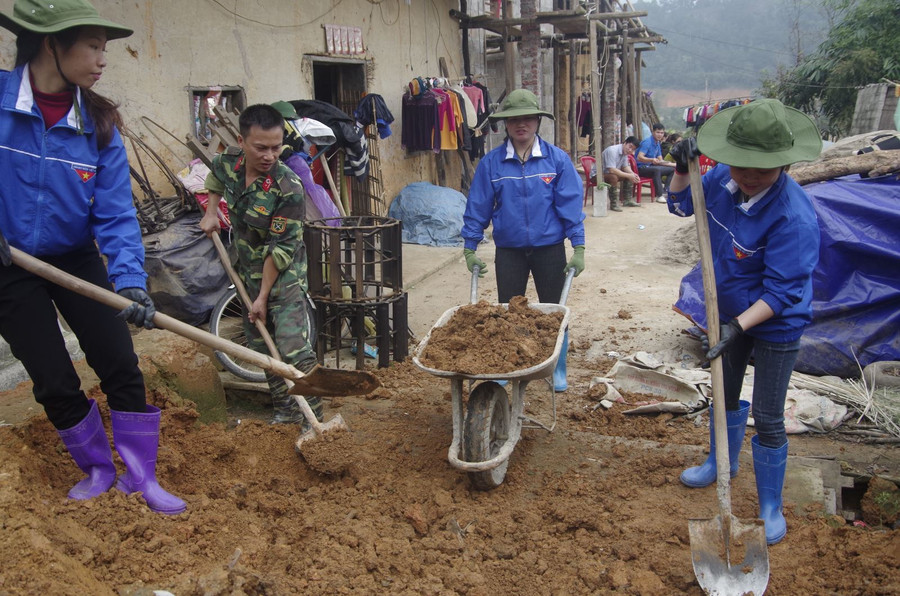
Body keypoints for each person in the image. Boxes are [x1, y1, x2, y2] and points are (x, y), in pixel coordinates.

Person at [0, 0, 184, 514]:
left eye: (105, 49)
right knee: (53, 379)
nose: (103, 60)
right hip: (9, 265)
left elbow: (116, 214)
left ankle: (140, 476)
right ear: (51, 44)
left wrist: (128, 281)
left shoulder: (99, 125)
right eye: (93, 46)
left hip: (74, 257)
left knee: (120, 363)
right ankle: (98, 468)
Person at [667, 98, 822, 545]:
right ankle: (722, 463)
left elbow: (782, 291)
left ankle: (770, 506)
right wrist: (683, 167)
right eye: (741, 166)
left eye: (762, 169)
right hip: (727, 310)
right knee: (724, 392)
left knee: (769, 416)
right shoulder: (719, 179)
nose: (749, 177)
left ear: (784, 163)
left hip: (775, 322)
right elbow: (681, 205)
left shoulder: (794, 216)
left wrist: (739, 327)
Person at [200, 104, 321, 427]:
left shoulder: (288, 189)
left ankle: (314, 418)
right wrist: (211, 212)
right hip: (248, 272)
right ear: (241, 141)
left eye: (276, 147)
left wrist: (263, 297)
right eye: (261, 148)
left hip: (283, 278)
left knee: (292, 349)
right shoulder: (231, 164)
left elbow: (280, 251)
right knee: (263, 347)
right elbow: (215, 176)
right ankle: (284, 410)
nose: (270, 155)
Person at [461, 89, 585, 392]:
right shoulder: (491, 164)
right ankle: (509, 365)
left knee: (555, 311)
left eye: (528, 118)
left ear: (538, 121)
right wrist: (469, 247)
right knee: (508, 311)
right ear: (505, 124)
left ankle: (556, 367)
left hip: (549, 249)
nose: (521, 125)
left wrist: (578, 246)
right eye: (514, 119)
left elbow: (570, 205)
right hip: (509, 251)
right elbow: (478, 206)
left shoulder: (557, 160)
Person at [636, 123, 676, 203]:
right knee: (656, 170)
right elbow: (639, 157)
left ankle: (665, 192)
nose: (660, 135)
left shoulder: (657, 143)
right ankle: (659, 195)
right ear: (653, 132)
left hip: (650, 167)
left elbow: (660, 161)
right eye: (658, 132)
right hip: (641, 168)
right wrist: (651, 160)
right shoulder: (647, 142)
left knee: (673, 170)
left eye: (662, 133)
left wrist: (674, 165)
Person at [598, 136, 641, 211]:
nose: (630, 150)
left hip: (610, 174)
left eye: (633, 149)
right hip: (598, 175)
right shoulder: (612, 150)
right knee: (614, 177)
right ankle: (614, 204)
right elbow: (611, 170)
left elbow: (625, 167)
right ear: (625, 143)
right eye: (630, 147)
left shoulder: (625, 153)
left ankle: (627, 200)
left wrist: (633, 174)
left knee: (629, 176)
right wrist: (629, 175)